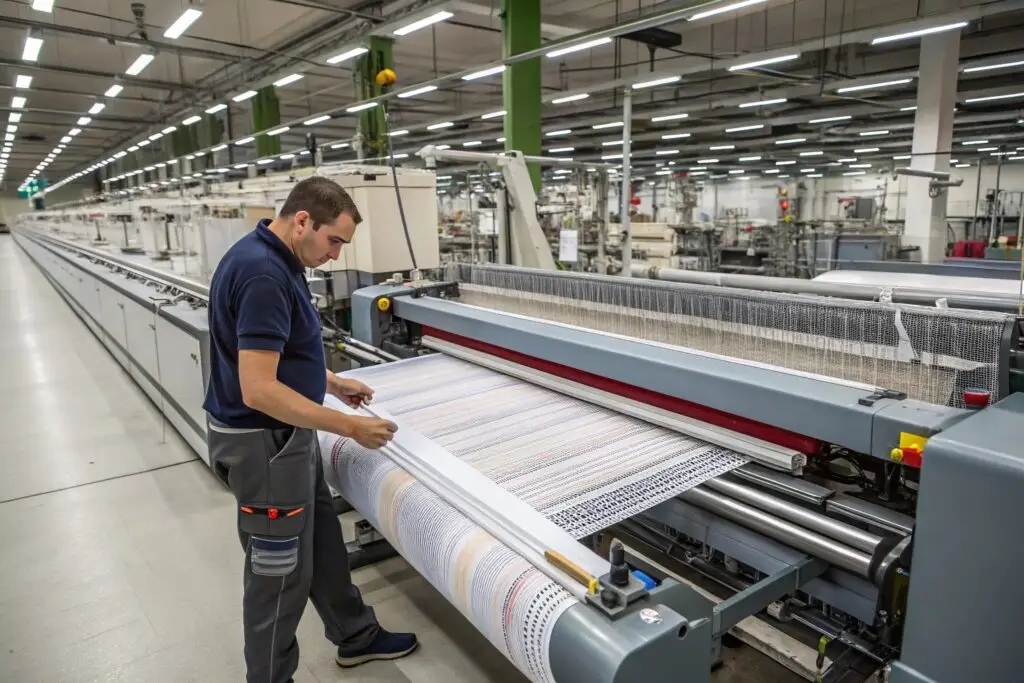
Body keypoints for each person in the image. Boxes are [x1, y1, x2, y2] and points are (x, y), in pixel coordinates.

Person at [202, 176, 417, 683]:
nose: (337, 255)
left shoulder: (278, 258)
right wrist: (347, 426)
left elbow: (280, 356)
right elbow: (258, 389)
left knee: (320, 541)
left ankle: (355, 636)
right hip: (264, 444)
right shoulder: (263, 275)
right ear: (303, 221)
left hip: (285, 438)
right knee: (278, 574)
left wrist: (331, 382)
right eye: (334, 240)